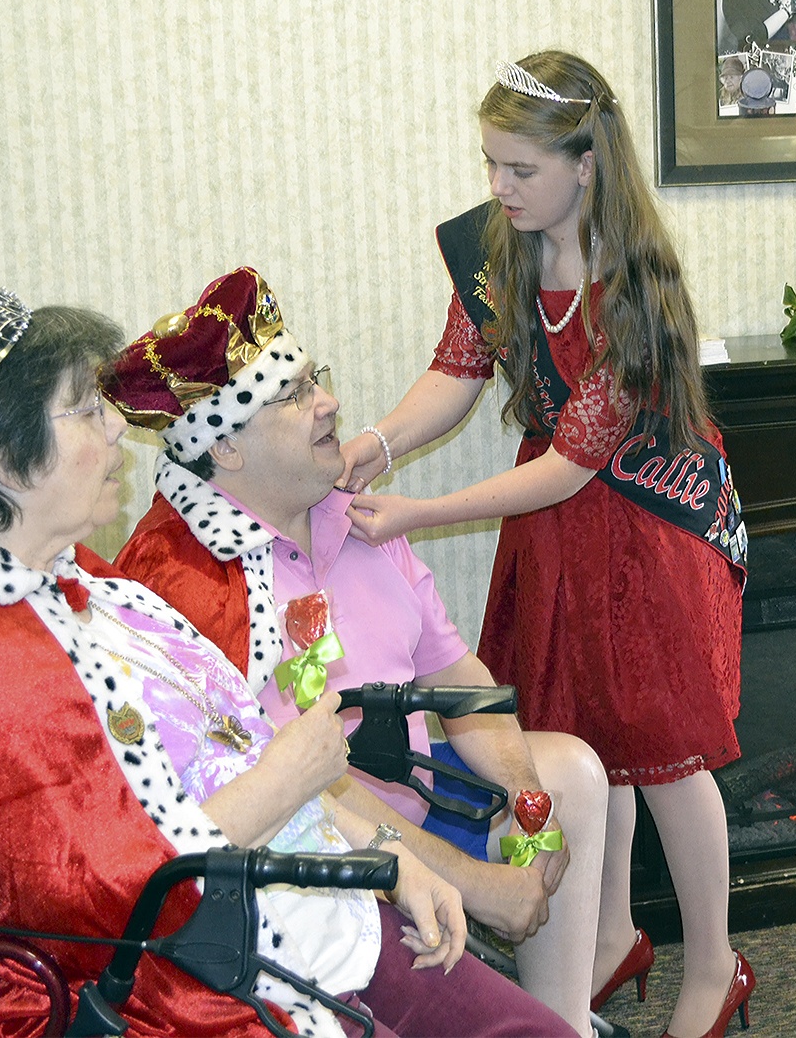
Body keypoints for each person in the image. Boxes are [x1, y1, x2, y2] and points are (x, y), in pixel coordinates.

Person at [0, 287, 571, 1037]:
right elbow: (97, 908)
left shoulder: (75, 581)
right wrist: (290, 780)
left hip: (305, 899)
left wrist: (386, 860)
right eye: (84, 410)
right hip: (184, 985)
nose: (115, 430)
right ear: (2, 458)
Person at [340, 51, 753, 1038]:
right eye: (490, 163)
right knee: (582, 738)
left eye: (519, 169)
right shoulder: (500, 248)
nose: (499, 187)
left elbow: (574, 463)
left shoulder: (639, 288)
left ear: (586, 164)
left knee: (665, 753)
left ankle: (714, 962)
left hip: (650, 526)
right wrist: (377, 444)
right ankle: (607, 939)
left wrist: (413, 511)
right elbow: (456, 371)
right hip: (559, 530)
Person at [104, 267, 610, 1036]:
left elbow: (459, 677)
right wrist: (477, 884)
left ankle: (560, 1019)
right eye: (296, 393)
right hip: (322, 859)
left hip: (424, 810)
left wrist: (522, 798)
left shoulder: (362, 520)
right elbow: (304, 795)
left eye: (319, 379)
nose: (331, 403)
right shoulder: (193, 585)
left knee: (571, 770)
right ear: (228, 448)